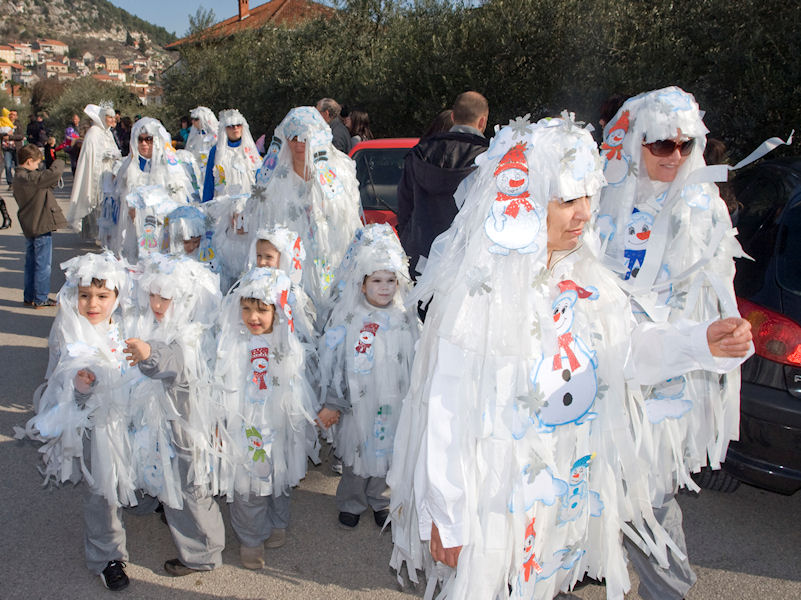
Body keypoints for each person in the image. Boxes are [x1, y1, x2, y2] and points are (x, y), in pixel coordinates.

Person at [386, 115, 752, 599]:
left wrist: (699, 343)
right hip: (494, 500)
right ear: (526, 201)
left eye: (587, 198)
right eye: (566, 201)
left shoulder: (588, 278)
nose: (583, 214)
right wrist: (447, 514)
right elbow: (446, 411)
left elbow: (624, 353)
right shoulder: (478, 295)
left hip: (561, 490)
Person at [596, 86, 752, 600]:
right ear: (636, 142)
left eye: (686, 145)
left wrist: (715, 340)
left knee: (649, 496)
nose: (676, 156)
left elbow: (716, 298)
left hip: (665, 377)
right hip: (599, 369)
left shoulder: (704, 208)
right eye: (662, 144)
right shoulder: (602, 198)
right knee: (587, 484)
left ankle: (669, 590)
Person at [14, 252, 138, 591]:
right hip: (95, 429)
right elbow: (65, 387)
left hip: (129, 421)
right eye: (85, 295)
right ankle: (107, 557)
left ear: (117, 297)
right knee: (101, 492)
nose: (92, 304)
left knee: (128, 481)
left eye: (102, 296)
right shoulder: (72, 336)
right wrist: (82, 388)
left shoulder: (123, 328)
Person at [125, 253, 225, 577]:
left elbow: (172, 361)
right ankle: (157, 503)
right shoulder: (159, 323)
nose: (156, 303)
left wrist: (147, 353)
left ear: (184, 300)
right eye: (152, 294)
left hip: (186, 428)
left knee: (190, 488)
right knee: (163, 471)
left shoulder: (190, 335)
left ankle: (203, 553)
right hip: (164, 425)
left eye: (165, 298)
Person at [213, 267, 316, 569]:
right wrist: (219, 422)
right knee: (248, 483)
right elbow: (220, 384)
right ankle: (251, 538)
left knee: (279, 476)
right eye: (246, 309)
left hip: (278, 425)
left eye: (262, 310)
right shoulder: (232, 343)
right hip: (245, 426)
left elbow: (296, 385)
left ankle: (277, 521)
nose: (253, 317)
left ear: (278, 312)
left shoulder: (287, 344)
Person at [317, 224, 419, 529]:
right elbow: (336, 364)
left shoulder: (404, 318)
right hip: (357, 404)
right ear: (362, 285)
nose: (385, 287)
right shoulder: (350, 318)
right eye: (376, 280)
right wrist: (334, 402)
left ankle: (380, 499)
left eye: (391, 280)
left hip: (392, 402)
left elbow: (416, 360)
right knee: (357, 452)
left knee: (386, 452)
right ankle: (351, 501)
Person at [250, 106, 362, 306]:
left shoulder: (339, 172)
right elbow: (262, 214)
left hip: (328, 258)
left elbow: (348, 220)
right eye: (293, 138)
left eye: (304, 138)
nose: (299, 144)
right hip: (294, 265)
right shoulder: (276, 178)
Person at [396, 91, 490, 280]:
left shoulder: (420, 152)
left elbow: (404, 205)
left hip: (419, 257)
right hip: (465, 264)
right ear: (482, 122)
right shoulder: (488, 159)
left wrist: (409, 241)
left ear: (453, 117)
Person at [111, 117, 193, 261]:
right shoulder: (129, 166)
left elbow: (179, 198)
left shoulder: (170, 166)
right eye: (140, 139)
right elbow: (121, 197)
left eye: (148, 139)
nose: (144, 143)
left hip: (163, 227)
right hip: (136, 227)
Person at [14, 144, 67, 308]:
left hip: (30, 225)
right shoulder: (31, 178)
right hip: (41, 225)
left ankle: (29, 296)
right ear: (29, 161)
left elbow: (47, 181)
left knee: (30, 264)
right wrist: (59, 159)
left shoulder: (19, 177)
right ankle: (41, 297)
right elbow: (54, 173)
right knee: (43, 265)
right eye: (37, 163)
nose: (38, 167)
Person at [67, 102, 121, 241]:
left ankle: (106, 232)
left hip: (108, 172)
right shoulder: (94, 132)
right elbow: (91, 154)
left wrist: (115, 155)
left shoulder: (107, 133)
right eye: (109, 117)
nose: (112, 120)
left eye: (113, 117)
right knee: (97, 202)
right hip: (97, 173)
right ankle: (96, 232)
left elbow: (114, 149)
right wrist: (104, 155)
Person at [201, 109, 259, 202]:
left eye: (238, 125)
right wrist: (206, 204)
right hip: (224, 203)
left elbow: (260, 176)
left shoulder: (250, 150)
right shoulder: (216, 151)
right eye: (231, 126)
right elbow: (209, 182)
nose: (235, 128)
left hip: (248, 203)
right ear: (224, 129)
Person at [185, 106, 218, 192]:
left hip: (211, 171)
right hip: (197, 172)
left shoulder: (215, 137)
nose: (193, 122)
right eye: (192, 119)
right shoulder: (194, 136)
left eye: (196, 119)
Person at [2, 108, 23, 186]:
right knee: (7, 166)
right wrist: (4, 135)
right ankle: (10, 183)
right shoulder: (3, 123)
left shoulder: (18, 125)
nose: (12, 116)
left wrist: (10, 137)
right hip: (7, 149)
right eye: (10, 114)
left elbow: (21, 136)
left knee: (18, 166)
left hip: (16, 148)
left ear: (16, 116)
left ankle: (18, 182)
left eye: (14, 115)